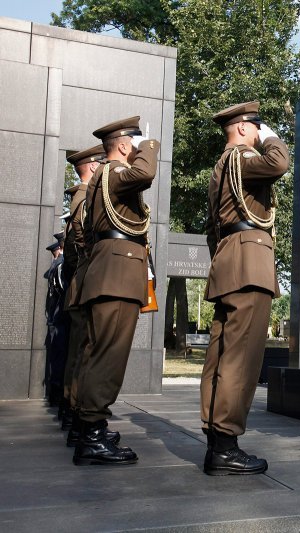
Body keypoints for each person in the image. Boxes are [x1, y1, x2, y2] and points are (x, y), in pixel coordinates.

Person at [201, 101, 289, 475]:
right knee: (242, 357)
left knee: (221, 355)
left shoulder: (222, 168)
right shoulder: (240, 158)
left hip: (228, 262)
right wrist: (272, 137)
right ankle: (225, 444)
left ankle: (216, 438)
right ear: (242, 128)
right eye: (256, 127)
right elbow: (279, 163)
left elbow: (212, 229)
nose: (260, 134)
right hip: (249, 264)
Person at [73, 117, 159, 466]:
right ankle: (92, 437)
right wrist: (150, 147)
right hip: (116, 274)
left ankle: (91, 427)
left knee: (99, 353)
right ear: (124, 145)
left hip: (109, 272)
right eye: (135, 142)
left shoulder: (103, 179)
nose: (139, 147)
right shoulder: (114, 173)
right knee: (108, 355)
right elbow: (145, 174)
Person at [61, 145, 106, 441]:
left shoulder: (81, 197)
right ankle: (79, 417)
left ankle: (75, 415)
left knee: (81, 352)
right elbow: (81, 247)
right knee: (84, 354)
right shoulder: (84, 198)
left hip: (82, 281)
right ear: (91, 166)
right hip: (86, 281)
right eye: (101, 162)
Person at [44, 234, 67, 410]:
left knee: (57, 356)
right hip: (62, 316)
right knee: (61, 358)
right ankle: (57, 396)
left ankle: (55, 394)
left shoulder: (56, 264)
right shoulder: (62, 264)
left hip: (56, 315)